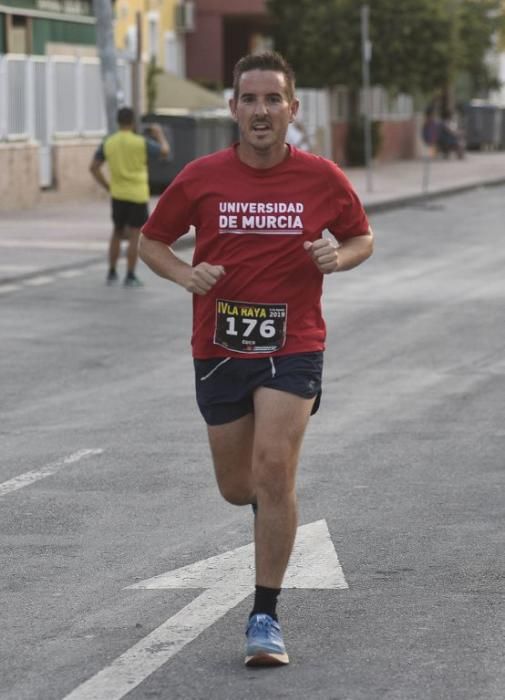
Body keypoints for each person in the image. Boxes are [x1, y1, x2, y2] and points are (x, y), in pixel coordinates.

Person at [139, 51, 373, 666]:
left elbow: (360, 235)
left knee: (274, 469)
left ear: (293, 109)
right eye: (251, 99)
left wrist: (338, 258)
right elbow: (151, 240)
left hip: (294, 343)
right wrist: (188, 275)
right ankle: (269, 512)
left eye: (274, 99)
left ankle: (264, 614)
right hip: (218, 346)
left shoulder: (321, 177)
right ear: (234, 108)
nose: (262, 110)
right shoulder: (201, 175)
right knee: (237, 485)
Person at [89, 106, 169, 287]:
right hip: (137, 195)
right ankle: (130, 275)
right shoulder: (141, 142)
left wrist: (107, 186)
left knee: (116, 233)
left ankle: (111, 272)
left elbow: (93, 167)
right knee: (134, 236)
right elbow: (165, 151)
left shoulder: (109, 142)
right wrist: (159, 134)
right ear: (133, 122)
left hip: (117, 195)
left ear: (118, 122)